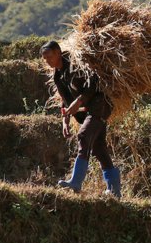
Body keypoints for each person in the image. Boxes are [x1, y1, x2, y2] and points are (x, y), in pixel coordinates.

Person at [40, 39, 121, 197]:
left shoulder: (75, 63)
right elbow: (65, 101)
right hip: (86, 113)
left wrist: (79, 101)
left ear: (58, 52)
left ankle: (76, 182)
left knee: (83, 135)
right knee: (99, 149)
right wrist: (65, 121)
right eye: (44, 58)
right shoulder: (58, 76)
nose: (47, 61)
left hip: (99, 106)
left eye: (49, 57)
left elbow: (93, 85)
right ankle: (114, 189)